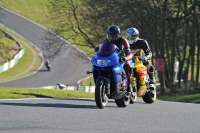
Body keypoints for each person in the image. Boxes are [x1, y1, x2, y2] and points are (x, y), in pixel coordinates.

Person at [99, 25, 134, 93]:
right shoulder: (105, 41)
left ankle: (129, 84)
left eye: (113, 35)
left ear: (117, 35)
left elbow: (129, 52)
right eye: (110, 35)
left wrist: (126, 58)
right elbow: (101, 50)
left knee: (128, 66)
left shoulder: (123, 41)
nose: (112, 37)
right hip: (109, 59)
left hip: (120, 60)